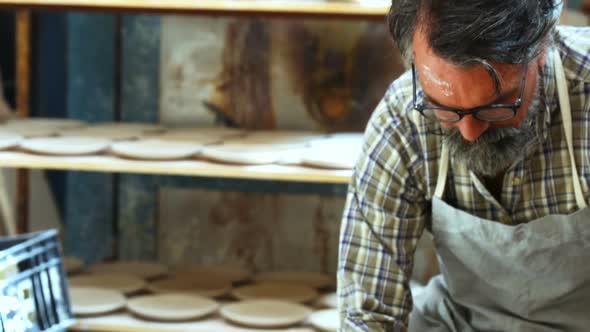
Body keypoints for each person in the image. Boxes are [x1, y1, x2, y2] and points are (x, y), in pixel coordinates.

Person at [337, 0, 590, 331]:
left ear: (541, 47)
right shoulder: (403, 122)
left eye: (496, 106)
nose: (470, 133)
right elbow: (368, 314)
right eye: (444, 107)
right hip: (462, 321)